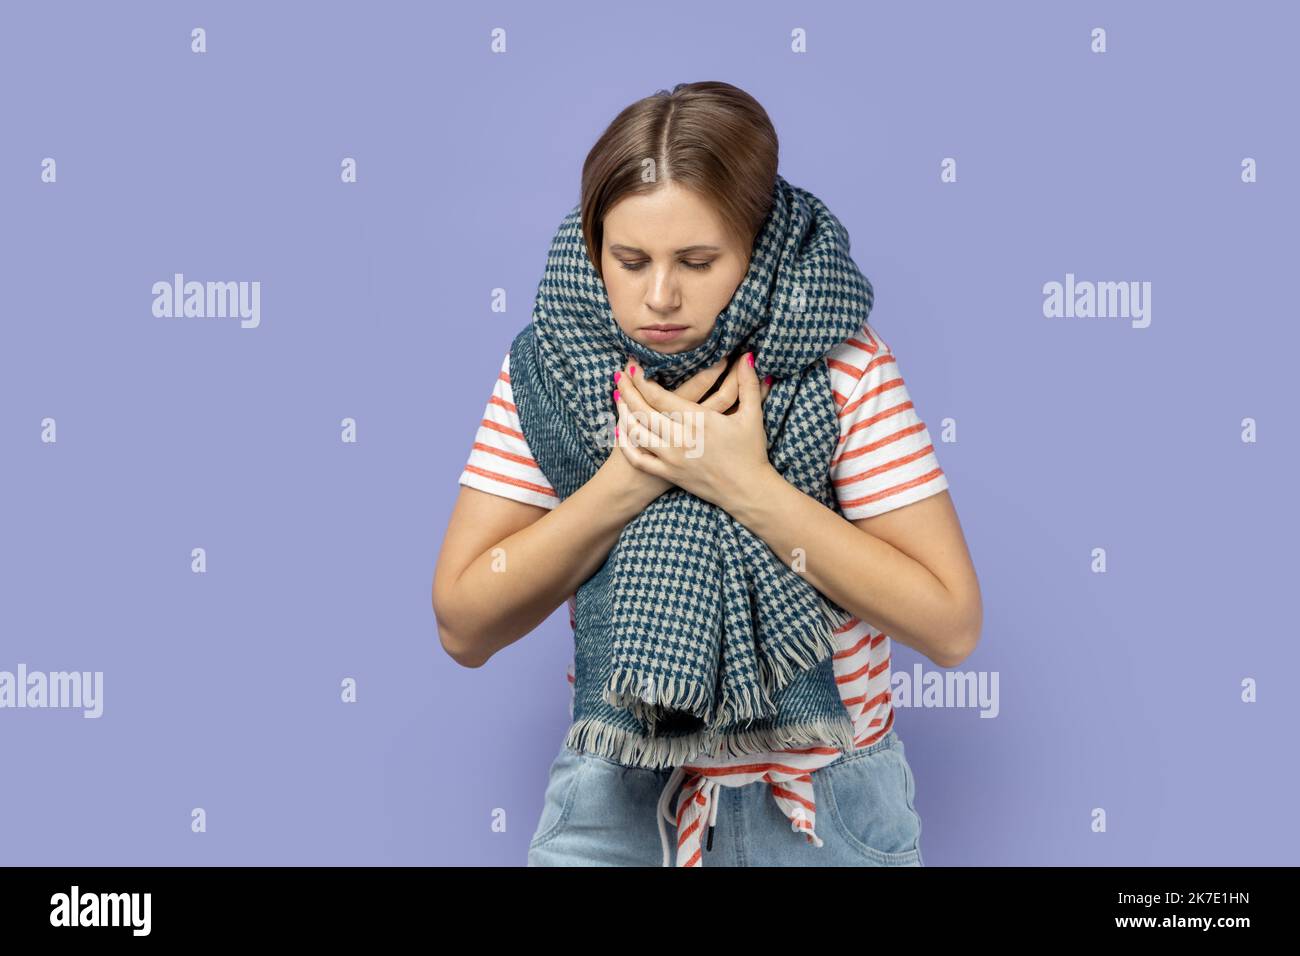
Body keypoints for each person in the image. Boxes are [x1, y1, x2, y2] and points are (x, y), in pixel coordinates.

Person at [432, 80, 982, 867]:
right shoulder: (550, 370)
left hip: (822, 809)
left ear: (757, 247)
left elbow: (951, 625)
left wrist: (746, 486)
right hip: (617, 801)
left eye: (697, 260)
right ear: (593, 249)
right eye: (630, 260)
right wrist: (629, 480)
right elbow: (463, 625)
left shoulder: (842, 367)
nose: (660, 296)